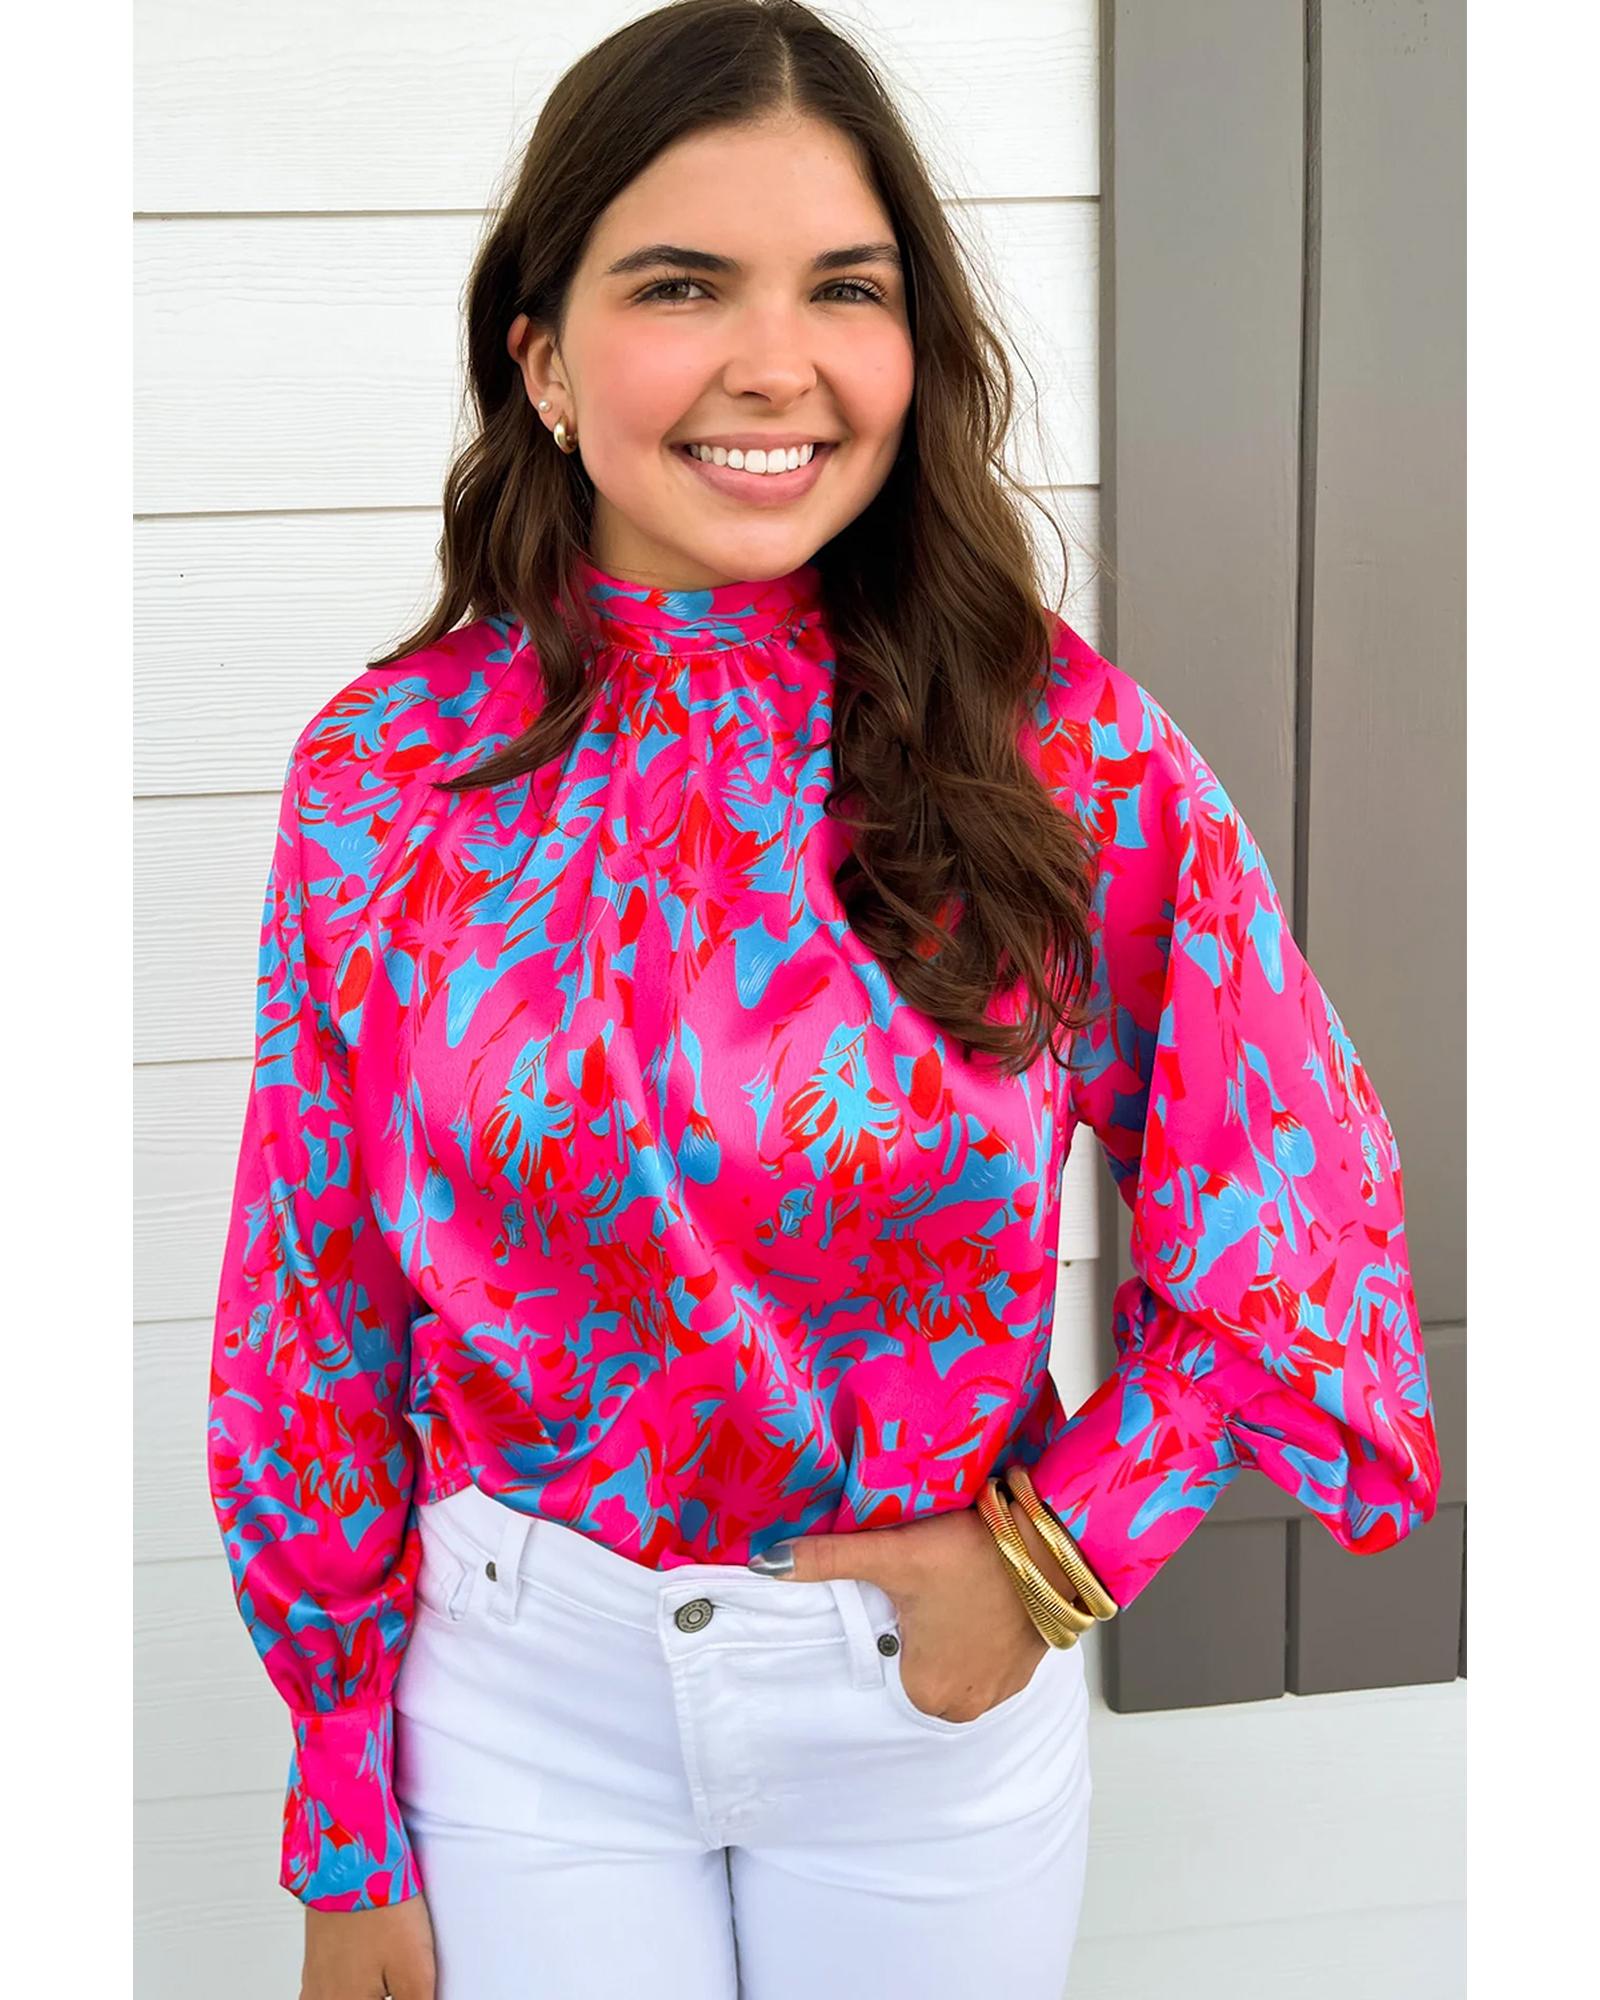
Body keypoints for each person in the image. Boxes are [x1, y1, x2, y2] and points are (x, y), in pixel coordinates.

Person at [205, 4, 1442, 1996]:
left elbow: (1290, 1195)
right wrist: (341, 1801)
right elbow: (312, 1291)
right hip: (518, 1707)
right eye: (681, 285)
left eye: (843, 290)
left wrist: (1058, 1554)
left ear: (912, 345)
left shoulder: (1062, 757)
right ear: (540, 357)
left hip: (917, 1710)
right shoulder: (387, 779)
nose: (773, 362)